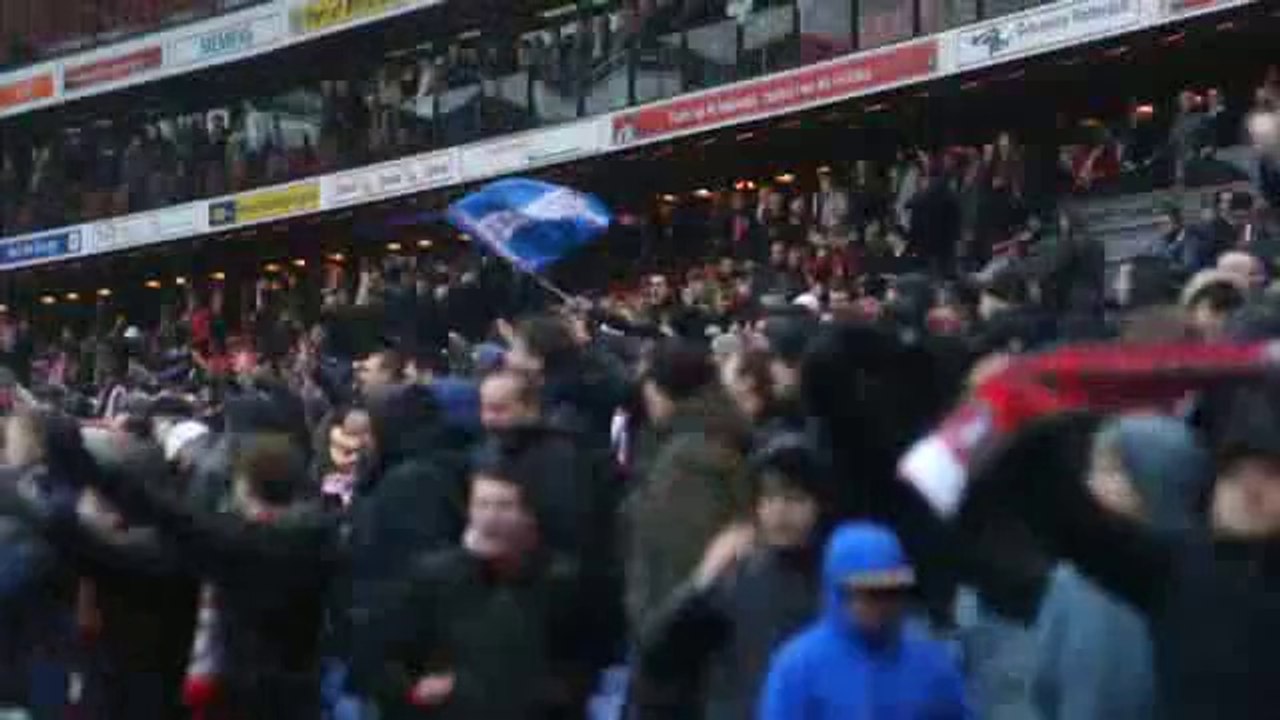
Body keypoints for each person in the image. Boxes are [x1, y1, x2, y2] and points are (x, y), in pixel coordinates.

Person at [352, 441, 593, 720]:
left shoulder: (560, 583)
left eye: (504, 506)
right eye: (482, 505)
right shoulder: (434, 578)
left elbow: (570, 682)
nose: (490, 517)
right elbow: (390, 666)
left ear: (529, 517)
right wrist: (415, 692)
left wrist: (465, 690)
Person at [1032, 415, 1212, 720]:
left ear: (1158, 479)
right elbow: (1044, 686)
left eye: (1111, 470)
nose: (1092, 483)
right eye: (1094, 468)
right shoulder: (1074, 576)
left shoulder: (1201, 578)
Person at [635, 437, 824, 720]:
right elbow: (658, 651)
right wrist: (702, 580)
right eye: (769, 498)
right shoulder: (735, 578)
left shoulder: (833, 582)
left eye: (794, 499)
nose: (780, 511)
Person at [758, 521, 970, 720]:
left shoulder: (931, 663)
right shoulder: (799, 667)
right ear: (839, 592)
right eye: (870, 592)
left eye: (892, 591)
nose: (882, 604)